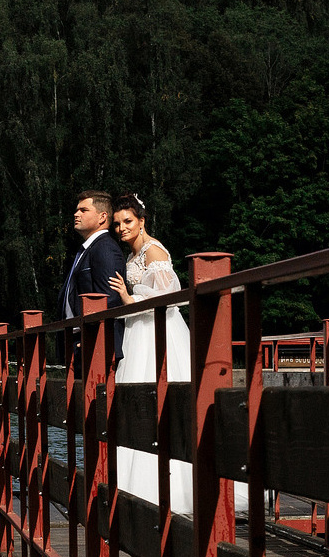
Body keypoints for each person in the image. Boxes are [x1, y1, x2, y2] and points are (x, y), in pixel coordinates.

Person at [106, 192, 247, 518]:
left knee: (158, 397)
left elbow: (168, 296)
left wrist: (128, 298)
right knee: (138, 399)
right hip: (138, 330)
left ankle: (168, 485)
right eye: (117, 224)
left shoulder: (154, 251)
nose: (121, 228)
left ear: (142, 221)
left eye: (127, 221)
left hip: (156, 331)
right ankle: (134, 483)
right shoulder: (133, 254)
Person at [59, 189, 128, 368]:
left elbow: (110, 300)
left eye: (83, 210)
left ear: (102, 217)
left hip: (95, 346)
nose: (76, 214)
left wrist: (91, 337)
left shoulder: (105, 248)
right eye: (76, 210)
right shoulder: (86, 249)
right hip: (80, 343)